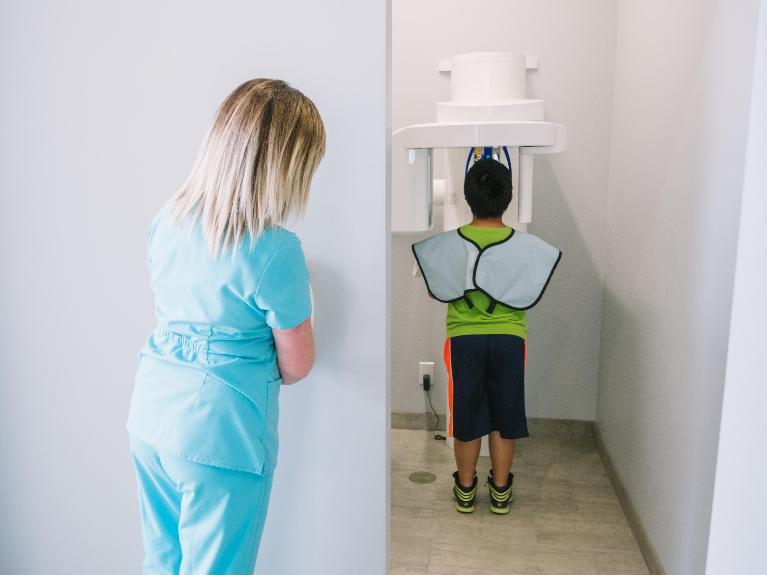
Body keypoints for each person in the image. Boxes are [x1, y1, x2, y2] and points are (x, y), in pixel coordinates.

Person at [126, 78, 325, 574]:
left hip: (151, 418)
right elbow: (298, 364)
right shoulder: (276, 249)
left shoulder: (166, 219)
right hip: (221, 438)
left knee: (161, 563)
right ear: (286, 167)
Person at [412, 157, 561, 515]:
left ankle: (465, 490)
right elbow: (529, 290)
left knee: (466, 415)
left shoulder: (448, 245)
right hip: (510, 338)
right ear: (508, 198)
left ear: (468, 197)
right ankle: (500, 492)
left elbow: (437, 290)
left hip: (464, 339)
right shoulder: (527, 247)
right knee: (504, 416)